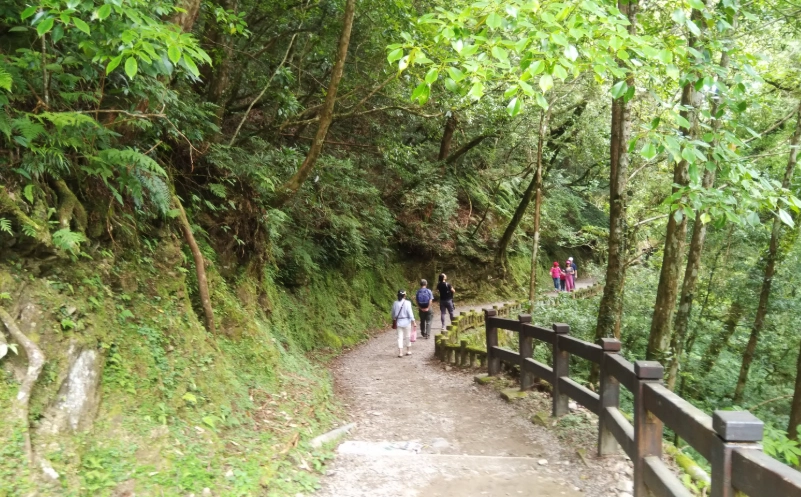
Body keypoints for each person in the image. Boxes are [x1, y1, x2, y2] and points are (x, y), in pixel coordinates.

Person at [391, 290, 416, 357]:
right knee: (408, 336)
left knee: (400, 337)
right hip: (407, 322)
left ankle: (400, 352)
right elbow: (410, 313)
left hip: (398, 322)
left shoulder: (395, 303)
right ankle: (408, 350)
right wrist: (413, 322)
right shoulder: (408, 303)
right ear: (404, 295)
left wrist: (393, 318)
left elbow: (393, 313)